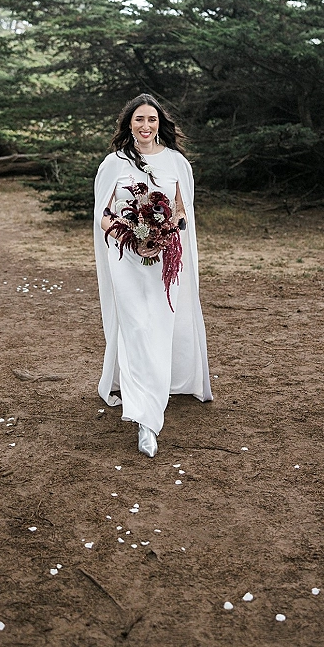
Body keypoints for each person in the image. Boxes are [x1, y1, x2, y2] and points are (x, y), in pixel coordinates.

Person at [93, 93, 212, 458]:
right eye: (139, 119)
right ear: (129, 123)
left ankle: (152, 395)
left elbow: (181, 212)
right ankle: (146, 419)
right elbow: (103, 216)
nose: (146, 126)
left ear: (160, 124)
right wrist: (132, 238)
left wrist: (163, 235)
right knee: (136, 328)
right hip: (126, 260)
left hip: (164, 261)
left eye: (153, 120)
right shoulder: (114, 163)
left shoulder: (176, 162)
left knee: (158, 326)